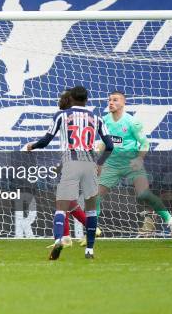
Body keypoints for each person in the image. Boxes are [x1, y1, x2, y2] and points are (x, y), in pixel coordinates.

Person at [0, 0, 144, 96]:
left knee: (37, 71)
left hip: (45, 49)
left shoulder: (65, 20)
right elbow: (10, 8)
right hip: (19, 46)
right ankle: (15, 91)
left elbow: (97, 7)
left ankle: (18, 81)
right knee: (14, 67)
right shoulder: (28, 19)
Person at [27, 86, 113, 260]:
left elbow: (46, 140)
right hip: (90, 164)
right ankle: (89, 250)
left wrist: (32, 146)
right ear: (86, 100)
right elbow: (110, 145)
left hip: (71, 162)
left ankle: (60, 238)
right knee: (90, 210)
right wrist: (100, 163)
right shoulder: (97, 118)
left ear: (71, 98)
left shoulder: (61, 116)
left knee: (62, 206)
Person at [96, 91, 172, 237]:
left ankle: (171, 221)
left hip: (132, 163)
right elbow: (104, 143)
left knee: (144, 194)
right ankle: (93, 228)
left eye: (115, 100)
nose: (111, 102)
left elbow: (144, 143)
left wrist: (139, 159)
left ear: (123, 103)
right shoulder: (104, 121)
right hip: (112, 164)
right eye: (109, 100)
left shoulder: (132, 122)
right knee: (95, 196)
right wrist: (99, 162)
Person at [54, 89, 101, 248]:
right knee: (68, 201)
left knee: (63, 201)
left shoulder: (66, 117)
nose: (59, 101)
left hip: (79, 163)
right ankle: (69, 236)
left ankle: (66, 237)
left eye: (62, 98)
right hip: (79, 162)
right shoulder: (75, 117)